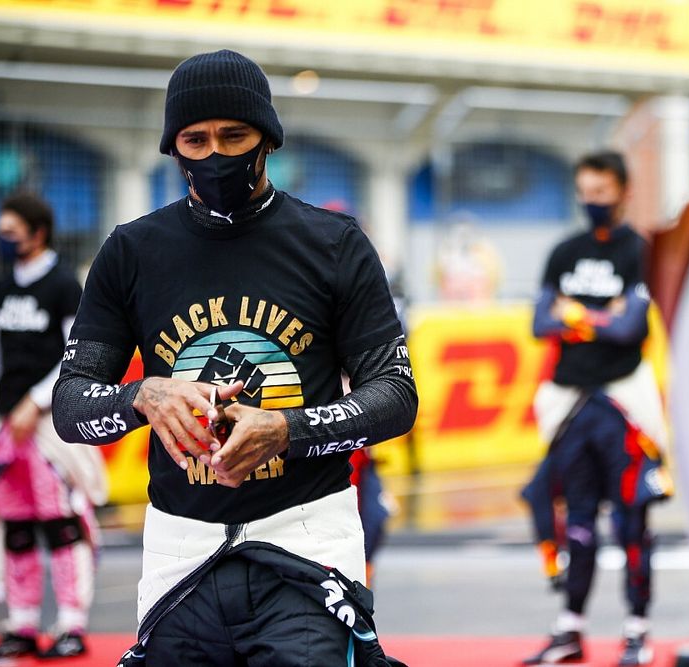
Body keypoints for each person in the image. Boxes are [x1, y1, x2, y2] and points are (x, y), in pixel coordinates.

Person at [51, 50, 416, 666]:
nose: (215, 154)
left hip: (305, 540)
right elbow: (70, 405)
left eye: (233, 135)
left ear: (266, 139)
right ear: (174, 148)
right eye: (195, 139)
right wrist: (143, 395)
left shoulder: (335, 244)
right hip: (179, 546)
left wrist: (287, 429)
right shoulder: (131, 251)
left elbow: (396, 397)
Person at [522, 151, 672, 667]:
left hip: (624, 399)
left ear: (624, 192)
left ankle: (636, 630)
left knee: (633, 519)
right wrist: (599, 316)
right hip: (571, 402)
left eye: (601, 193)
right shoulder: (564, 250)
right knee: (576, 520)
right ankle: (570, 629)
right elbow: (540, 322)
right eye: (585, 192)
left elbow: (632, 328)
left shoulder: (641, 251)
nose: (592, 202)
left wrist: (574, 314)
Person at [0, 192, 106, 659]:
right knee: (16, 527)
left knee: (62, 524)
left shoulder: (64, 286)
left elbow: (74, 358)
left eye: (11, 234)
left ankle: (71, 623)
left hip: (48, 426)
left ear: (37, 233)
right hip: (6, 426)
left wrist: (35, 403)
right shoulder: (1, 287)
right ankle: (21, 622)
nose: (4, 242)